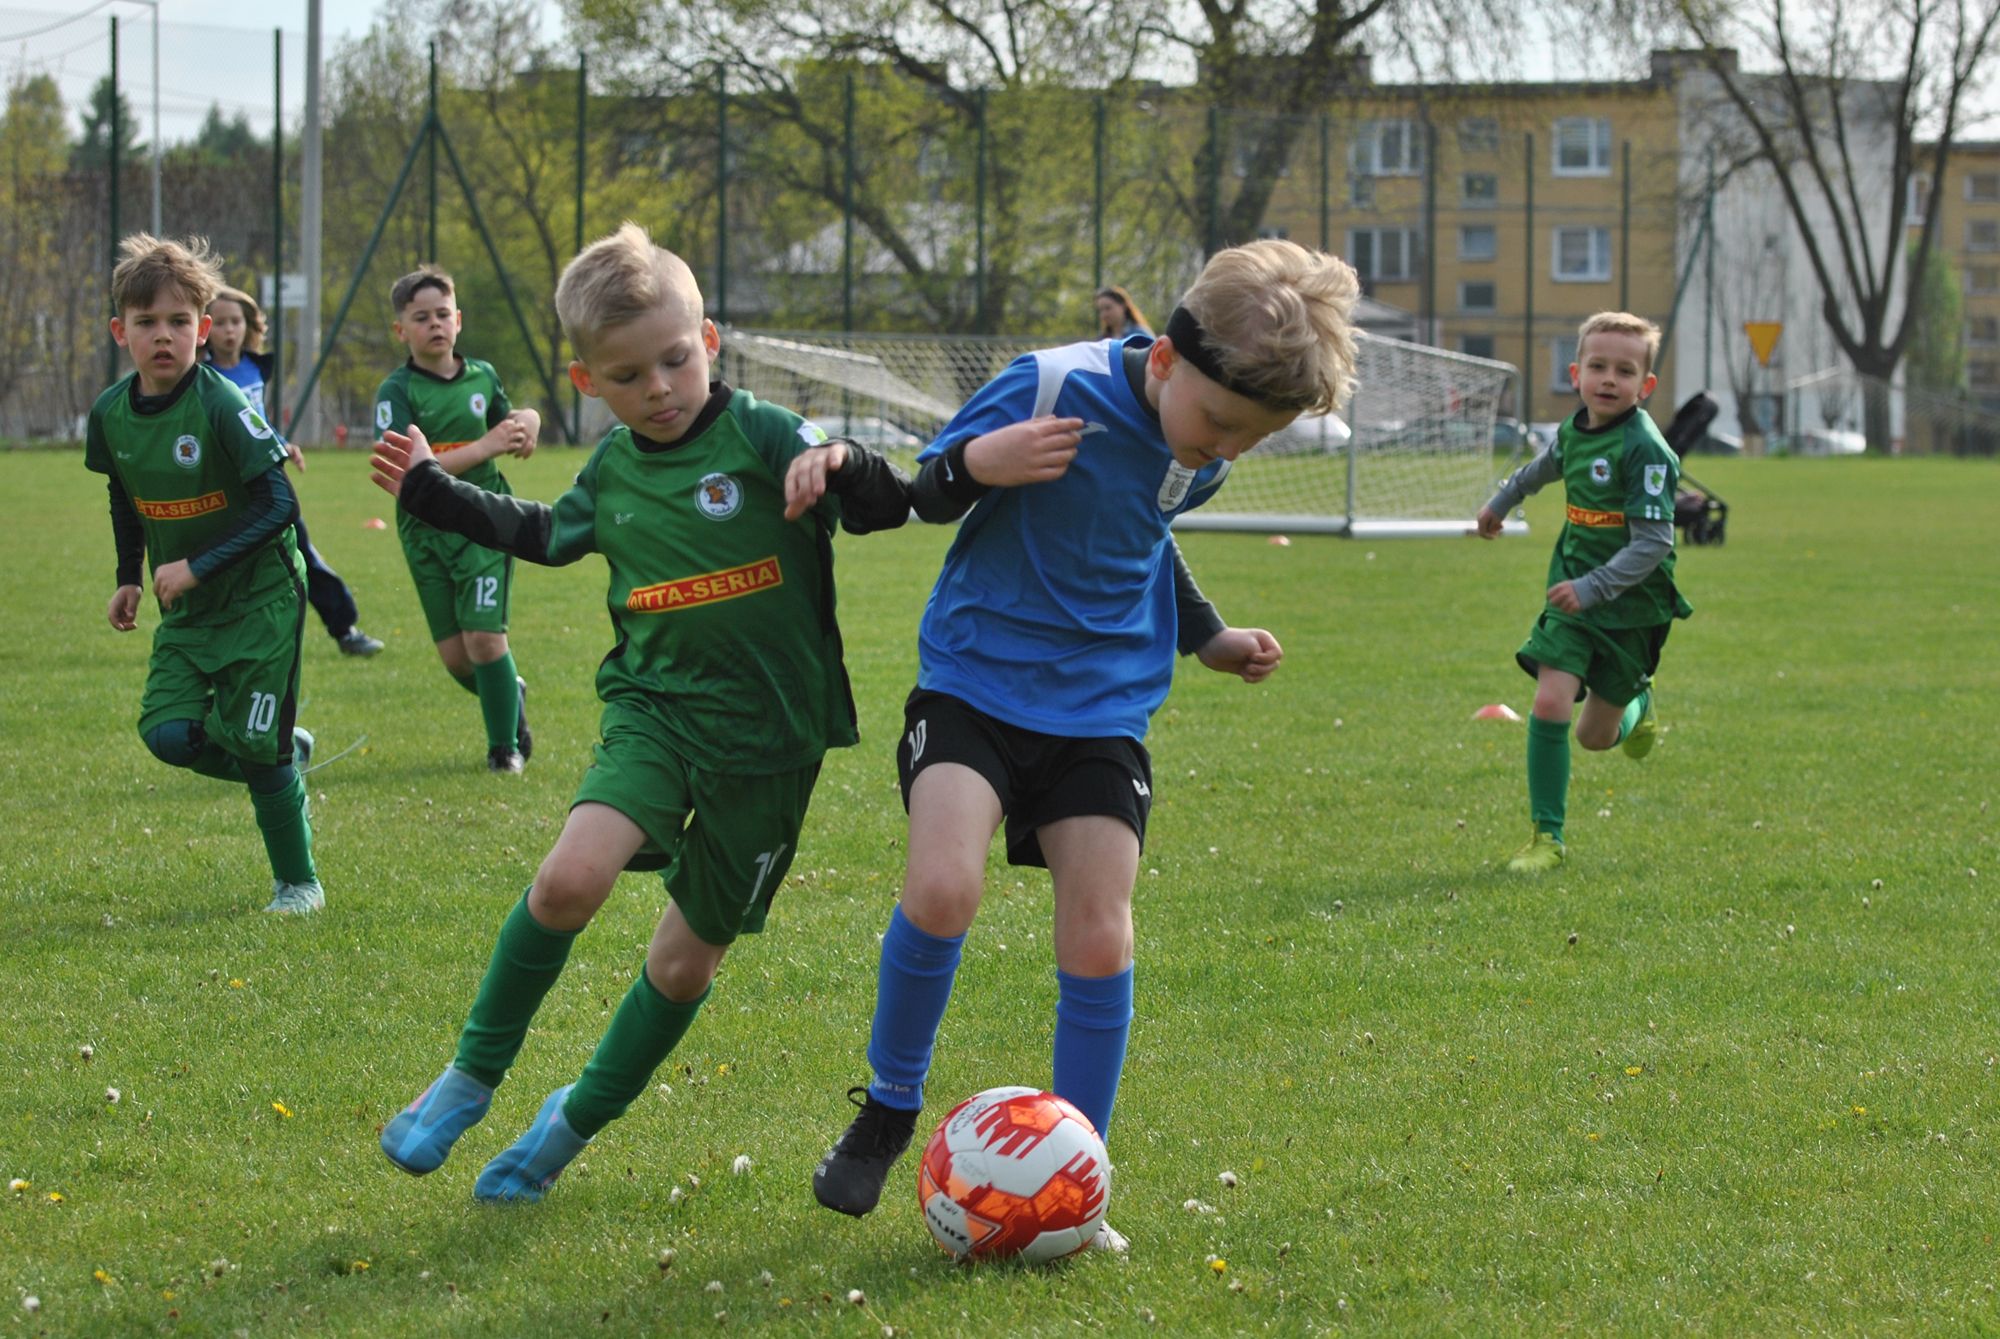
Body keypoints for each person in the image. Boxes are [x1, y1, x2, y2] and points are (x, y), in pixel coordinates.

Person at [807, 239, 1360, 1252]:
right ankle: (887, 1109)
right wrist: (984, 462)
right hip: (974, 680)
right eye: (1218, 425)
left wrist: (1208, 636)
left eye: (1249, 438)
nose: (1222, 451)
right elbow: (911, 496)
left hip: (1103, 708)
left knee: (1100, 930)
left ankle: (1077, 1169)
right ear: (1160, 362)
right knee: (941, 889)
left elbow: (1146, 533)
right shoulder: (1049, 383)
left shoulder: (1198, 453)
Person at [370, 222, 912, 1203]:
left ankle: (567, 1124)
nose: (657, 388)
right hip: (654, 713)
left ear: (708, 343)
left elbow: (887, 505)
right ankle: (468, 1076)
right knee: (567, 879)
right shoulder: (615, 467)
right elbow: (540, 533)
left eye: (673, 359)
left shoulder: (762, 434)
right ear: (586, 383)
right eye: (627, 375)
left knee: (679, 961)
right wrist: (430, 490)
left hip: (772, 748)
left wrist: (839, 463)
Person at [85, 234, 323, 914]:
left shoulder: (222, 403)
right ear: (119, 331)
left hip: (263, 599)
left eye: (180, 322)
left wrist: (197, 565)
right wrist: (129, 574)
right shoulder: (109, 414)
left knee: (256, 747)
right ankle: (278, 748)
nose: (164, 336)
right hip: (188, 608)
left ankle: (298, 882)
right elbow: (123, 494)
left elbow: (281, 504)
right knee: (168, 734)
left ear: (205, 328)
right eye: (147, 322)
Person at [1474, 311, 1693, 873]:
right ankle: (1548, 838)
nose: (1609, 379)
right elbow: (1540, 470)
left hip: (1630, 608)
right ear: (1576, 373)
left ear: (1645, 386)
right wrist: (1500, 504)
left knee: (1595, 737)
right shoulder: (1574, 430)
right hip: (1571, 598)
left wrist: (1595, 587)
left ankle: (1640, 704)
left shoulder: (1646, 450)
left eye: (1624, 371)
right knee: (1548, 703)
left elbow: (1652, 544)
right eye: (1598, 366)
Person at [374, 266, 541, 772]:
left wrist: (528, 421)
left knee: (486, 641)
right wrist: (485, 445)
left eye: (443, 314)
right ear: (402, 331)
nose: (435, 325)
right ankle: (507, 690)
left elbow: (509, 423)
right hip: (424, 528)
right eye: (420, 318)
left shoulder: (482, 377)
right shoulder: (397, 391)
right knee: (457, 659)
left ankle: (504, 751)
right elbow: (410, 472)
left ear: (459, 319)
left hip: (484, 519)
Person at [205, 285, 385, 658]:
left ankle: (345, 629)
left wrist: (281, 444)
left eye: (235, 321)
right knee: (222, 562)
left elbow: (256, 422)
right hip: (224, 486)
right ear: (204, 327)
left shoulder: (254, 367)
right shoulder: (200, 375)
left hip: (265, 478)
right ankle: (217, 642)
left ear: (248, 325)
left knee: (300, 552)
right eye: (219, 322)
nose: (228, 330)